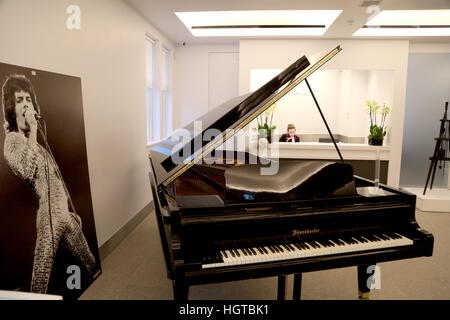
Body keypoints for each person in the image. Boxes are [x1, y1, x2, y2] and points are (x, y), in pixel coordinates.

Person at [2, 74, 96, 293]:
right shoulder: (13, 141)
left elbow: (56, 180)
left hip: (64, 214)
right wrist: (33, 129)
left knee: (90, 263)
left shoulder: (38, 146)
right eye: (19, 101)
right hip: (49, 217)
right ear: (11, 109)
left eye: (28, 99)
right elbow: (27, 168)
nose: (26, 104)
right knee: (40, 278)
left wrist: (72, 212)